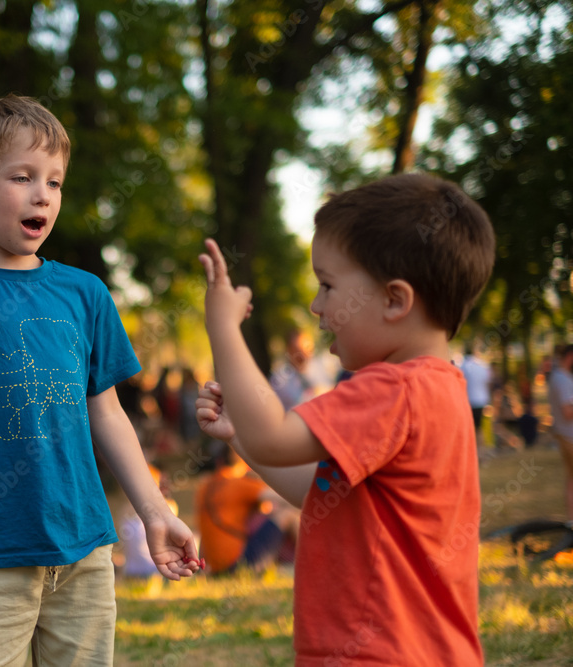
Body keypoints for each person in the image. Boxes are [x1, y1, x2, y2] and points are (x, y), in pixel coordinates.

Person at [0, 94, 199, 665]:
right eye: (22, 176)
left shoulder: (85, 294)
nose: (42, 195)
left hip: (83, 551)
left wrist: (154, 512)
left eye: (54, 182)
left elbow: (107, 413)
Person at [197, 172, 495, 665]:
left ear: (395, 300)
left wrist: (223, 327)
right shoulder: (437, 386)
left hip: (379, 652)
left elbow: (275, 436)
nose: (316, 306)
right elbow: (320, 492)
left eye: (328, 286)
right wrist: (241, 439)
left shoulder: (391, 389)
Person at [194, 448, 297, 575]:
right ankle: (312, 558)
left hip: (214, 569)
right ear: (244, 464)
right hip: (238, 565)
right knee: (287, 515)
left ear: (218, 462)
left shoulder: (205, 487)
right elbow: (290, 498)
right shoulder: (240, 484)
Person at [270, 328, 325, 411]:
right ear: (288, 350)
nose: (303, 354)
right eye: (298, 350)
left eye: (306, 348)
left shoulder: (322, 365)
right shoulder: (279, 380)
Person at [547, 343, 573, 518]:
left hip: (565, 434)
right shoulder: (562, 379)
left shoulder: (559, 377)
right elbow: (567, 411)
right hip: (569, 436)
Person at [460, 341, 493, 448]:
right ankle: (481, 450)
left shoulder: (463, 366)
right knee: (479, 427)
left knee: (469, 427)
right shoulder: (482, 366)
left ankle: (472, 450)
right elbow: (488, 383)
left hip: (468, 400)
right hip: (481, 400)